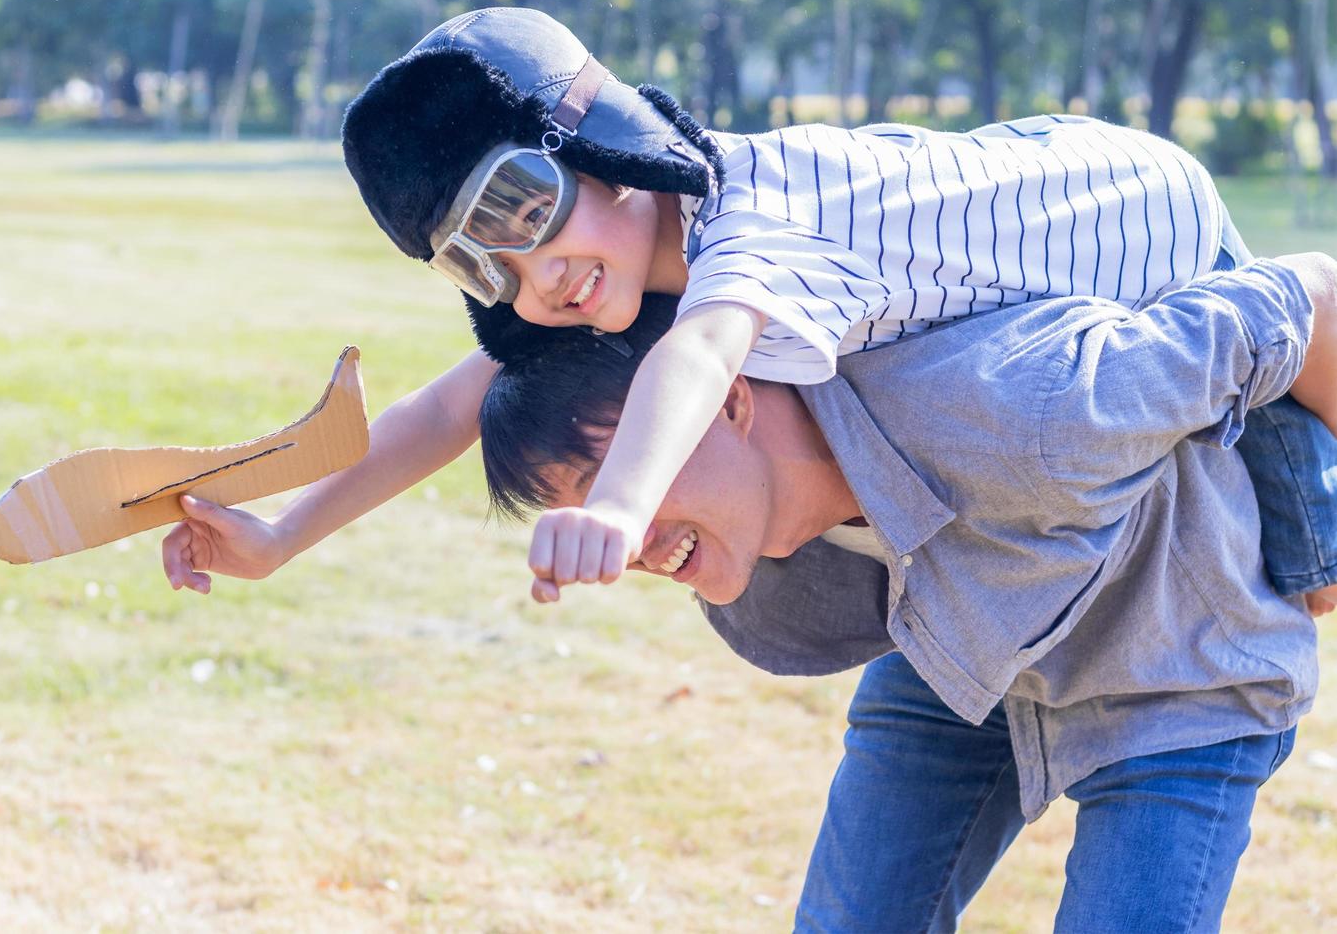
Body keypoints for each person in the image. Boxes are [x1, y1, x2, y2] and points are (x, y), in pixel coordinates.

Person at [160, 6, 1337, 621]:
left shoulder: (744, 217)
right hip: (1045, 236)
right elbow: (455, 404)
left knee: (1308, 554)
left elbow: (703, 352)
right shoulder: (623, 262)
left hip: (1143, 225)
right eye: (482, 268)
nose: (533, 278)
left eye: (519, 205)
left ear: (604, 149)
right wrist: (275, 539)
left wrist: (620, 507)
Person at [474, 251, 1337, 931]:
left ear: (723, 402)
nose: (622, 541)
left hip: (1180, 672)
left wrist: (1317, 517)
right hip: (961, 650)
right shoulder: (757, 592)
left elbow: (1306, 295)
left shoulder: (1031, 410)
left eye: (625, 482)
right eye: (583, 514)